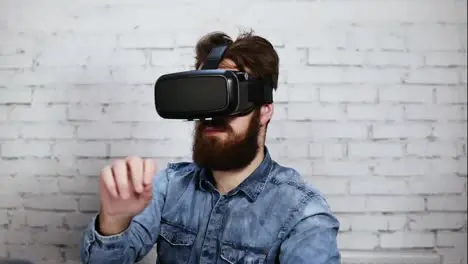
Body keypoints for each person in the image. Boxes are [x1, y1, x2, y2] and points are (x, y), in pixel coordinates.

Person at [79, 30, 341, 264]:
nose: (212, 115)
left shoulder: (301, 213)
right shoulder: (169, 187)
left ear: (264, 111)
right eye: (204, 97)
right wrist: (114, 220)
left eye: (227, 97)